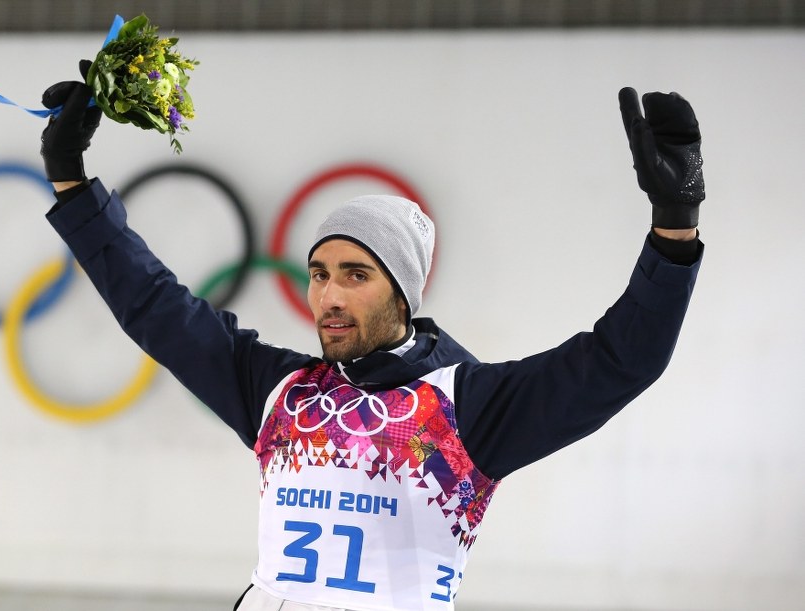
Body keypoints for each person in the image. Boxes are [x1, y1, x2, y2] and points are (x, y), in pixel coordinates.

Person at [38, 62, 704, 610]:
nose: (328, 294)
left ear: (402, 291)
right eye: (319, 273)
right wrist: (70, 179)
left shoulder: (466, 406)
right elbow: (154, 304)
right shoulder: (279, 391)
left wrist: (675, 223)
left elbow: (622, 358)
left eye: (355, 274)